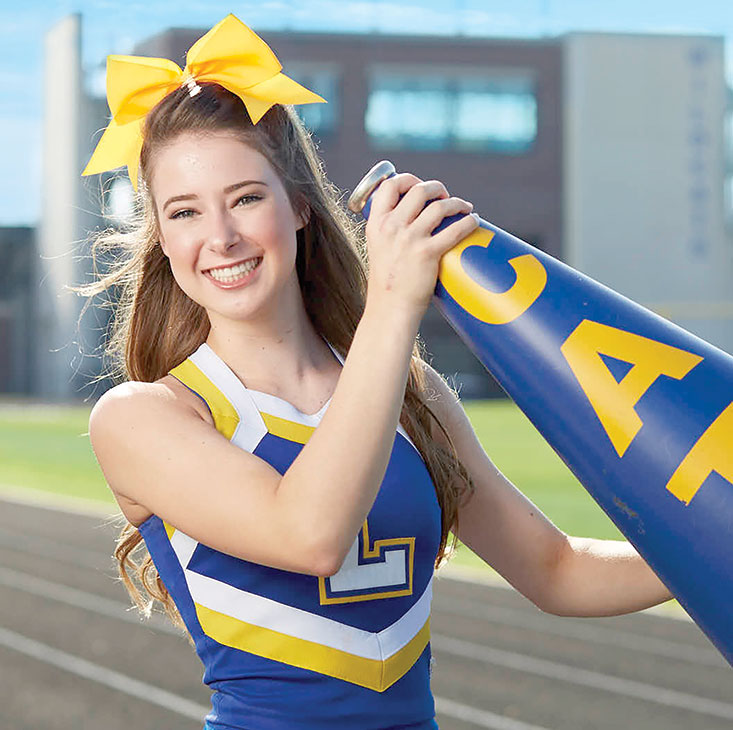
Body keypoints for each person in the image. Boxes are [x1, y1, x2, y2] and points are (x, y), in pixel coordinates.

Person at [82, 14, 674, 730]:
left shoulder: (409, 397)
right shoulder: (142, 417)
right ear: (163, 240)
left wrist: (717, 551)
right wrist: (394, 304)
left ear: (298, 205)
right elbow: (310, 535)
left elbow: (555, 570)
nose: (220, 237)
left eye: (246, 197)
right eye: (183, 212)